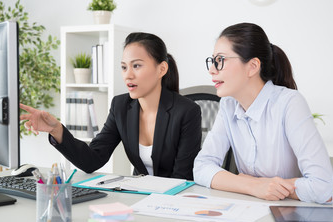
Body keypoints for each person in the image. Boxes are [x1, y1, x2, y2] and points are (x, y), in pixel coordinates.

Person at [20, 32, 201, 180]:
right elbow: (92, 160)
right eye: (124, 67)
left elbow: (182, 178)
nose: (128, 75)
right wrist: (56, 130)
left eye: (136, 66)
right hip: (140, 197)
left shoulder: (187, 111)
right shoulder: (121, 106)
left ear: (161, 69)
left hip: (175, 203)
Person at [193, 23, 333, 204]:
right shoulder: (228, 105)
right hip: (251, 209)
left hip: (291, 214)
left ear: (252, 66)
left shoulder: (289, 103)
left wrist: (259, 185)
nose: (212, 70)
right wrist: (253, 186)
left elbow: (323, 187)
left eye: (220, 60)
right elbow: (201, 167)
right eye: (212, 61)